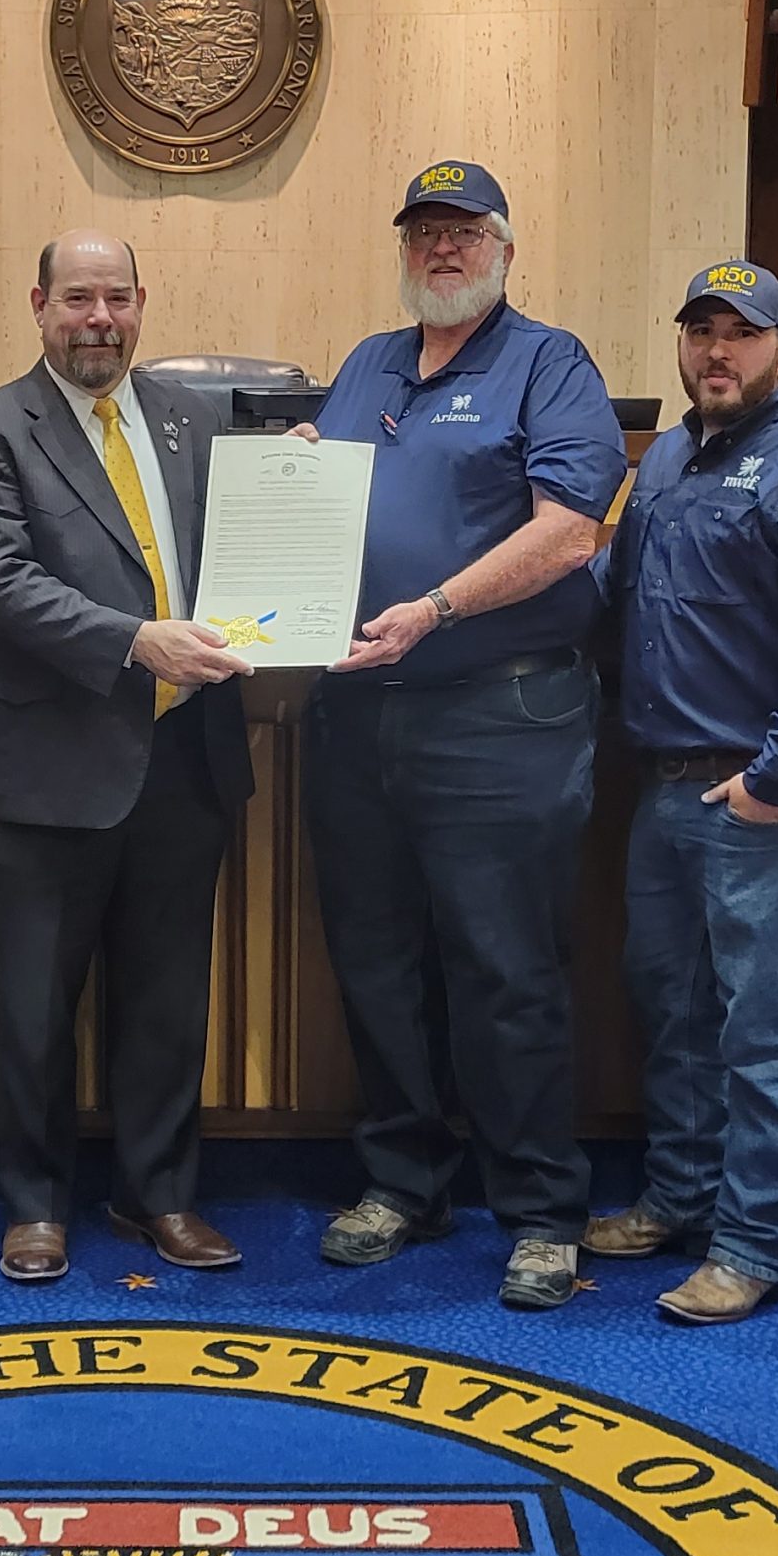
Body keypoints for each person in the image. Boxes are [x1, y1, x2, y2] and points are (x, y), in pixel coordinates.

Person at [299, 162, 627, 1311]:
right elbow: (330, 499)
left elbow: (570, 531)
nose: (442, 249)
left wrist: (435, 607)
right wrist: (290, 484)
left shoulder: (549, 363)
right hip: (357, 715)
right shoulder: (366, 365)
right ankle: (404, 1182)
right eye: (424, 232)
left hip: (500, 717)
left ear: (505, 249)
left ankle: (539, 1210)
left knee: (505, 968)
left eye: (464, 231)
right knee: (377, 960)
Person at [0, 231, 255, 1283]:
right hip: (54, 757)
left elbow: (243, 549)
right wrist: (133, 640)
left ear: (141, 301)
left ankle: (158, 1194)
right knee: (35, 1004)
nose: (99, 320)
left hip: (186, 751)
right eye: (77, 299)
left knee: (168, 998)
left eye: (116, 298)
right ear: (39, 305)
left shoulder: (194, 420)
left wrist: (293, 482)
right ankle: (35, 1205)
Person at [587, 261, 778, 1322]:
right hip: (664, 786)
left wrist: (770, 780)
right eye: (701, 331)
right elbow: (614, 593)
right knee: (671, 1009)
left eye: (742, 333)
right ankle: (680, 1197)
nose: (718, 351)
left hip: (762, 794)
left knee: (759, 1031)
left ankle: (753, 1243)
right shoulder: (666, 458)